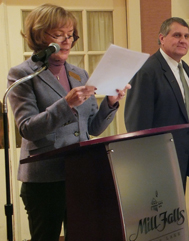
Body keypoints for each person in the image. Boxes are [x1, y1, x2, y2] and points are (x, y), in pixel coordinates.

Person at [7, 4, 130, 241]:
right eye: (59, 34)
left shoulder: (79, 74)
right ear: (39, 35)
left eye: (70, 34)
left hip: (80, 174)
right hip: (45, 179)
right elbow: (28, 128)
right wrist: (67, 104)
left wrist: (111, 103)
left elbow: (93, 128)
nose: (67, 41)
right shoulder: (22, 74)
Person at [124, 17, 189, 190]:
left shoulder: (184, 68)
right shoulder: (147, 70)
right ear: (162, 38)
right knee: (160, 214)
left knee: (175, 213)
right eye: (177, 35)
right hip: (158, 161)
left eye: (187, 36)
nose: (183, 40)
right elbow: (137, 123)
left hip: (182, 155)